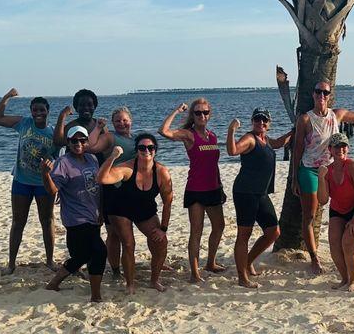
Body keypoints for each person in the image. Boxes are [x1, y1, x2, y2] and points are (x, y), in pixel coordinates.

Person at [292, 78, 354, 274]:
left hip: (334, 169)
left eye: (325, 93)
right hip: (310, 169)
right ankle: (314, 258)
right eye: (318, 92)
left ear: (330, 96)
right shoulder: (305, 119)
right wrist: (294, 177)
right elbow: (297, 149)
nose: (321, 96)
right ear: (313, 94)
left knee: (350, 208)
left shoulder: (337, 115)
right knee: (310, 215)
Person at [159, 99, 226, 282]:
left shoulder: (212, 136)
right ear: (193, 116)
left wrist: (220, 186)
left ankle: (210, 263)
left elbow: (214, 165)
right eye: (198, 113)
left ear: (209, 114)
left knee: (219, 227)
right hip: (196, 190)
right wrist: (177, 110)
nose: (202, 116)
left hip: (214, 188)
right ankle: (194, 273)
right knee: (196, 231)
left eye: (205, 112)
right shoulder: (189, 135)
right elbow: (163, 131)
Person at [0, 88, 57, 275]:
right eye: (35, 110)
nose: (38, 113)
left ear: (47, 111)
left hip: (43, 183)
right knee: (18, 222)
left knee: (47, 220)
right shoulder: (24, 123)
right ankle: (11, 264)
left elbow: (64, 153)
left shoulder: (53, 132)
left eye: (41, 110)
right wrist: (7, 97)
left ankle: (50, 261)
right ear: (31, 111)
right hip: (21, 181)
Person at [97, 133, 172, 294]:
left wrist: (163, 228)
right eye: (142, 147)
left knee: (161, 242)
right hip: (120, 208)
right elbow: (102, 178)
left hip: (144, 209)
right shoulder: (127, 167)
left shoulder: (161, 172)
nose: (146, 150)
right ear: (137, 150)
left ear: (155, 150)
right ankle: (130, 284)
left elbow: (168, 201)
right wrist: (112, 156)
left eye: (150, 147)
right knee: (129, 244)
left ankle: (154, 280)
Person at [227, 108, 292, 288]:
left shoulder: (266, 140)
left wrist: (294, 131)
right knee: (244, 235)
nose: (261, 123)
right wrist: (232, 130)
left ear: (269, 124)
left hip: (261, 193)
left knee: (273, 232)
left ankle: (248, 262)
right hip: (245, 192)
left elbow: (279, 143)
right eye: (257, 119)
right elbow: (232, 151)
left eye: (264, 120)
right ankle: (242, 277)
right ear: (252, 121)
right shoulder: (250, 138)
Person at [41, 126, 107, 302]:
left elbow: (99, 186)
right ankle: (96, 296)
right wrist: (45, 174)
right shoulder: (63, 162)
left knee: (82, 255)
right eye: (74, 141)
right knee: (99, 251)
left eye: (82, 140)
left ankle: (54, 283)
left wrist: (101, 210)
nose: (79, 143)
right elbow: (53, 190)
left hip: (93, 214)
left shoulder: (92, 159)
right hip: (75, 216)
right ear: (68, 143)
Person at [316, 133, 354, 292]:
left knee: (348, 241)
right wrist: (321, 179)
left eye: (343, 146)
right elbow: (322, 200)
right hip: (338, 209)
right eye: (336, 146)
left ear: (348, 148)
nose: (340, 149)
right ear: (330, 149)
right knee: (334, 242)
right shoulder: (327, 170)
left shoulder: (352, 167)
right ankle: (344, 278)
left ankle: (353, 280)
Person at [87, 107, 136, 279]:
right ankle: (116, 270)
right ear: (113, 124)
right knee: (114, 234)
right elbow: (90, 146)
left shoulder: (137, 139)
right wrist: (98, 128)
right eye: (117, 121)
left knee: (132, 232)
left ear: (131, 120)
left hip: (134, 191)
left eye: (124, 120)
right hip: (113, 191)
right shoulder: (110, 137)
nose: (122, 123)